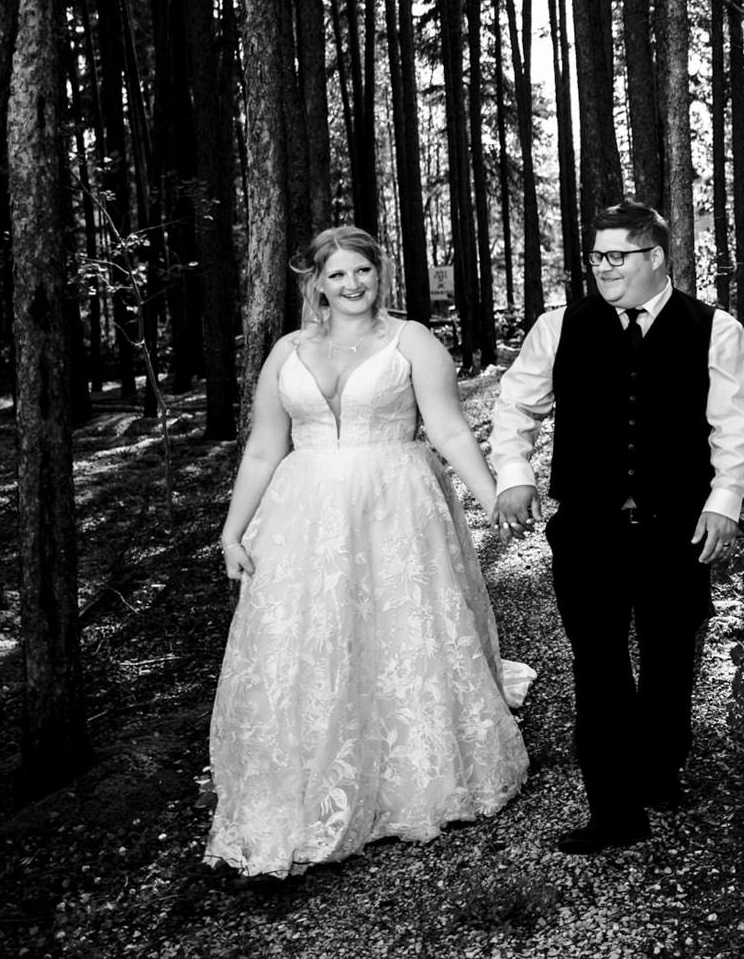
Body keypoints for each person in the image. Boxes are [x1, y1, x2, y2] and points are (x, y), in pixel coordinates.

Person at [205, 226, 530, 877]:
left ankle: (413, 777)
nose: (352, 284)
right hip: (304, 515)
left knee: (400, 630)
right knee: (312, 639)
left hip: (394, 504)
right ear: (317, 284)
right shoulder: (287, 351)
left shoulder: (412, 341)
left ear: (380, 274)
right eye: (338, 274)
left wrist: (493, 496)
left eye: (363, 271)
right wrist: (233, 532)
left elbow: (448, 430)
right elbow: (265, 448)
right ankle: (313, 781)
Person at [489, 200, 744, 856]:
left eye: (617, 256)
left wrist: (724, 501)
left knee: (670, 657)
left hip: (678, 529)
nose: (603, 268)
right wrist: (514, 474)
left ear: (656, 257)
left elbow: (734, 425)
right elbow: (515, 406)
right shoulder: (558, 327)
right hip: (588, 529)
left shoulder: (715, 329)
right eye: (597, 256)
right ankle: (615, 811)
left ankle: (660, 771)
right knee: (598, 665)